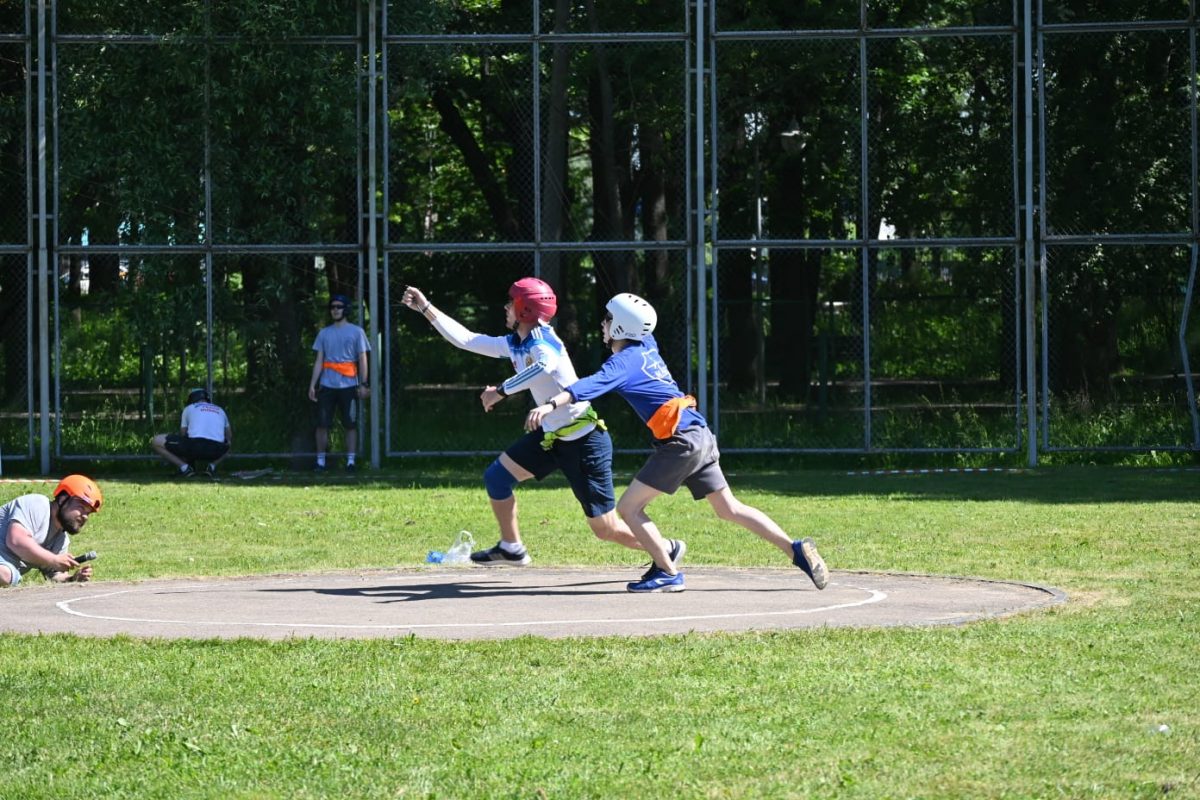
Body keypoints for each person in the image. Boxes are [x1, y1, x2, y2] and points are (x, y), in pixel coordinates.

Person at [522, 292, 830, 593]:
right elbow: (638, 332)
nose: (602, 324)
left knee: (629, 509)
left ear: (620, 327)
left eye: (608, 319)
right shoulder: (647, 346)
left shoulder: (624, 362)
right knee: (729, 508)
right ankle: (796, 550)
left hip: (681, 442)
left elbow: (585, 387)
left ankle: (668, 572)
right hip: (700, 434)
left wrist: (549, 405)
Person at [402, 279, 681, 568]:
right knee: (497, 478)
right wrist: (425, 307)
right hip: (551, 437)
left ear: (524, 311)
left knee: (605, 529)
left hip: (584, 441)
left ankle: (665, 548)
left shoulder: (543, 341)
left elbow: (543, 365)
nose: (507, 307)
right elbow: (467, 340)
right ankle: (511, 547)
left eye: (512, 302)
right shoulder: (516, 343)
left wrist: (500, 391)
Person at [0, 474, 103, 587]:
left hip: (5, 570)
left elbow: (54, 575)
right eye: (81, 508)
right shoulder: (38, 504)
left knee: (7, 575)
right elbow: (16, 541)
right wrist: (54, 559)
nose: (85, 516)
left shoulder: (61, 540)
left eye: (88, 513)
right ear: (63, 498)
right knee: (5, 575)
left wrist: (72, 579)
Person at [308, 292, 371, 472]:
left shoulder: (357, 332)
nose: (335, 310)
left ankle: (351, 461)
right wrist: (313, 384)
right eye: (332, 307)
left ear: (346, 309)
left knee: (350, 423)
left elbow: (362, 359)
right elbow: (319, 360)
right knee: (322, 423)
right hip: (327, 385)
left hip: (349, 386)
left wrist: (364, 384)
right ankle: (320, 462)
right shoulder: (324, 333)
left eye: (338, 307)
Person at [151, 387, 232, 478]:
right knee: (228, 443)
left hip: (194, 447)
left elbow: (183, 433)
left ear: (191, 399)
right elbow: (229, 435)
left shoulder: (189, 408)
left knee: (156, 441)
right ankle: (211, 467)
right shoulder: (220, 410)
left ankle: (185, 468)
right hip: (217, 450)